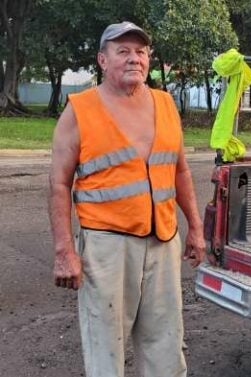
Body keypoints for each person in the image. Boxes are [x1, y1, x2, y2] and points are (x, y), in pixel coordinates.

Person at [49, 21, 205, 377]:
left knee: (167, 347)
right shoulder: (80, 110)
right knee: (106, 349)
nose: (134, 58)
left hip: (163, 242)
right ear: (103, 60)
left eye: (140, 51)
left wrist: (195, 228)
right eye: (123, 51)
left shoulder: (166, 104)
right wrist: (64, 251)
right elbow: (58, 183)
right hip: (106, 249)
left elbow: (180, 171)